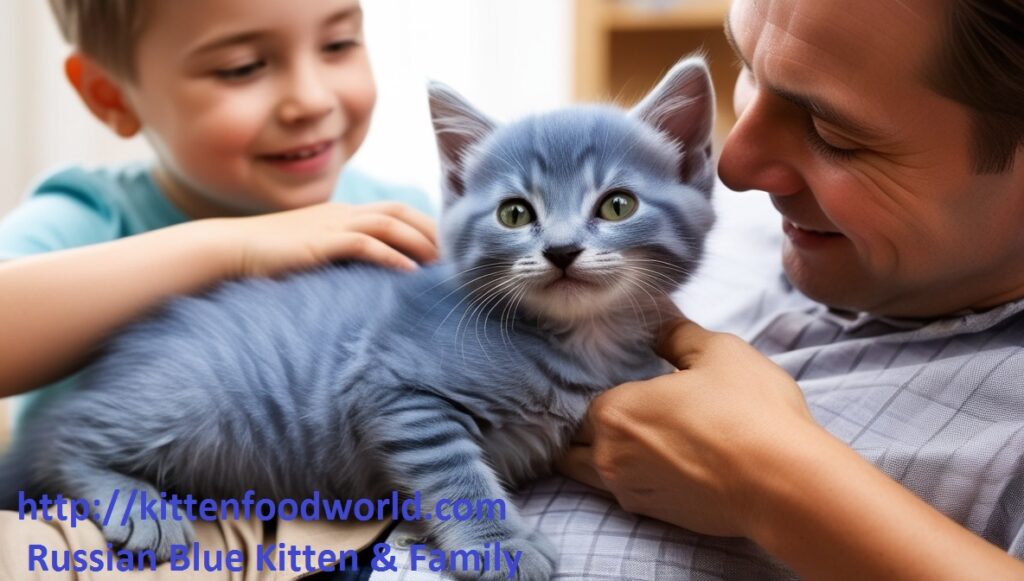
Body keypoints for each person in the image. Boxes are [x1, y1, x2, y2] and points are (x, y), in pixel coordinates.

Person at [549, 0, 1024, 578]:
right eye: (747, 68)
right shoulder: (739, 242)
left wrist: (766, 478)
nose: (734, 167)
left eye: (834, 135)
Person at [0, 0, 437, 579]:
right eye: (241, 67)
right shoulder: (92, 216)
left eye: (338, 44)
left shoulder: (397, 218)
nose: (311, 98)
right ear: (111, 95)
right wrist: (228, 249)